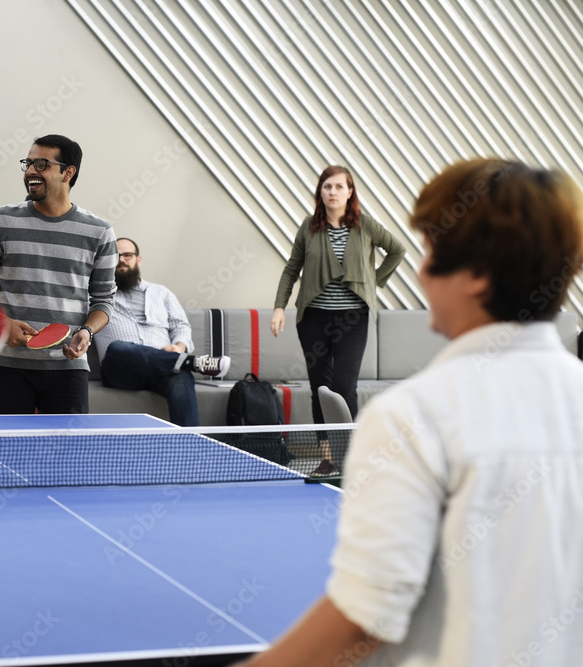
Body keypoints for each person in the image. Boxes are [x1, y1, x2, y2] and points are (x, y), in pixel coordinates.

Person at [237, 158, 583, 666]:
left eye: (432, 252)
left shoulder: (411, 417)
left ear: (474, 276)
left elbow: (362, 620)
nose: (420, 270)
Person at [0, 134, 117, 414]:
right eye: (28, 164)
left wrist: (86, 331)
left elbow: (104, 301)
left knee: (65, 456)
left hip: (68, 367)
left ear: (67, 172)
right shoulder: (1, 220)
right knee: (10, 454)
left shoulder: (99, 231)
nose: (29, 172)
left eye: (41, 165)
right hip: (7, 365)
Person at [271, 165, 405, 473]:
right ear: (320, 192)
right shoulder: (309, 227)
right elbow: (292, 269)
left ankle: (352, 457)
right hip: (313, 319)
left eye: (338, 187)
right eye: (327, 186)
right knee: (321, 388)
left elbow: (398, 250)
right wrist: (279, 306)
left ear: (350, 192)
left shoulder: (365, 226)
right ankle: (328, 458)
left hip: (352, 319)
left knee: (345, 387)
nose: (332, 192)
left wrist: (373, 281)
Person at [96, 238, 230, 426]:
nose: (121, 260)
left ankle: (189, 446)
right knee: (117, 347)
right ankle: (191, 362)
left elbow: (181, 326)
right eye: (116, 256)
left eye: (127, 255)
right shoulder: (97, 294)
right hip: (121, 371)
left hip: (161, 370)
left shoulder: (161, 293)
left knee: (181, 376)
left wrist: (179, 346)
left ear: (138, 260)